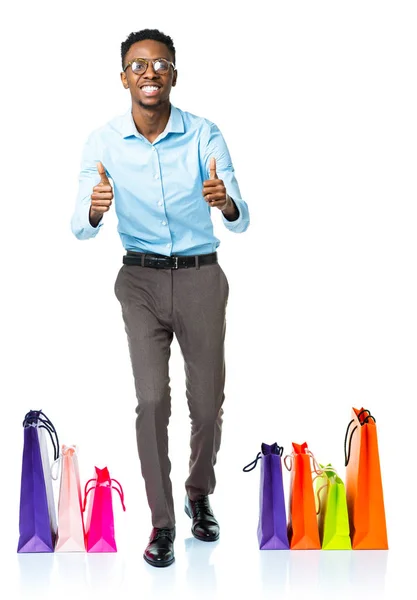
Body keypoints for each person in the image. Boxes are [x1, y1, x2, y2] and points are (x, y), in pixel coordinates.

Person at [71, 28, 250, 567]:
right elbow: (79, 227)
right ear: (123, 76)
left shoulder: (204, 134)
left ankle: (199, 492)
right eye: (139, 64)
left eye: (161, 64)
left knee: (207, 404)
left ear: (175, 73)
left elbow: (241, 215)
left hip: (200, 275)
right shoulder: (102, 142)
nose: (150, 72)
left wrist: (227, 203)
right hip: (141, 282)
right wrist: (96, 209)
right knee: (151, 401)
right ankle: (163, 521)